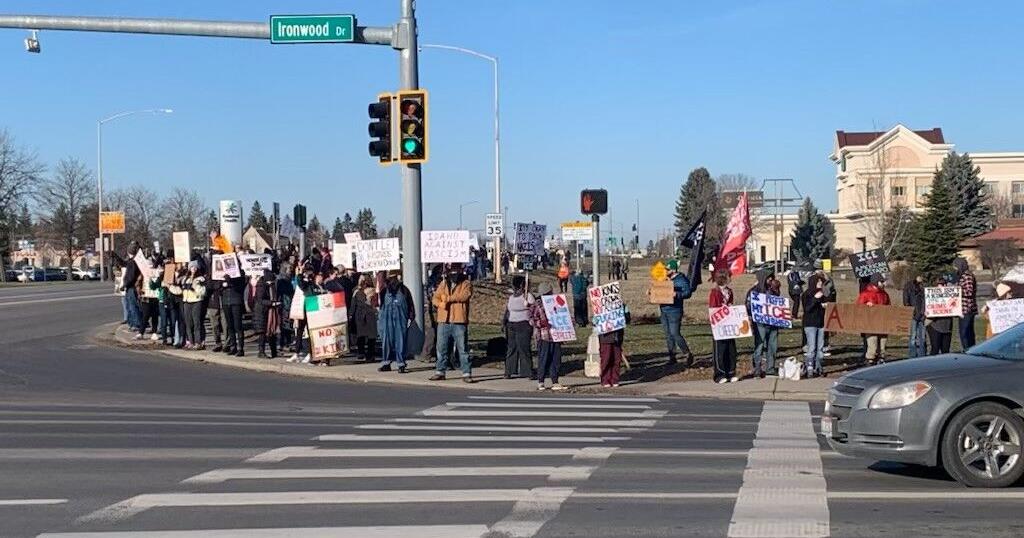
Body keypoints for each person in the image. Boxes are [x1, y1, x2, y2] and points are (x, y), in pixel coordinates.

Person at [430, 264, 474, 383]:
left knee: (462, 348)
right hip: (444, 320)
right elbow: (435, 298)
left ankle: (466, 373)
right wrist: (439, 304)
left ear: (460, 271)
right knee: (441, 348)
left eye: (456, 270)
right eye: (451, 270)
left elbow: (465, 296)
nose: (453, 273)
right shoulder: (444, 283)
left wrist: (448, 299)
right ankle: (440, 371)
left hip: (459, 321)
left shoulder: (465, 283)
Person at [531, 282, 566, 391]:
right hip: (544, 336)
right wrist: (542, 324)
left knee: (555, 359)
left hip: (556, 335)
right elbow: (532, 320)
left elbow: (563, 315)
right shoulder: (538, 304)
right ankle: (540, 381)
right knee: (544, 359)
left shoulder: (556, 302)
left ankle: (555, 381)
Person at [745, 268, 778, 378]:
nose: (770, 280)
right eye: (768, 278)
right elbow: (748, 305)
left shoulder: (773, 290)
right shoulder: (754, 291)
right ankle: (757, 368)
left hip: (773, 322)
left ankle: (770, 368)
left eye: (771, 278)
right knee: (759, 345)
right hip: (760, 323)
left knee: (772, 345)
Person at [660, 260, 694, 367]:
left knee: (675, 333)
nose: (666, 271)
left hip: (675, 310)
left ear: (673, 270)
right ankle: (672, 357)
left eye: (668, 269)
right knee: (668, 334)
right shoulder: (664, 279)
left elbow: (688, 293)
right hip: (664, 309)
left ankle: (687, 353)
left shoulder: (681, 280)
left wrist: (677, 294)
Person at [378, 272, 411, 373]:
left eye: (394, 278)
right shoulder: (383, 291)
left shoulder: (404, 290)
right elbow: (379, 306)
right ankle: (386, 363)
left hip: (400, 319)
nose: (393, 281)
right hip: (387, 319)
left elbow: (410, 304)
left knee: (400, 341)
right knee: (386, 341)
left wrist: (410, 317)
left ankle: (401, 364)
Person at [503, 275, 535, 379]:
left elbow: (534, 308)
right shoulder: (518, 297)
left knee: (518, 348)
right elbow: (508, 311)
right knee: (517, 348)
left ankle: (518, 371)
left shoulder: (520, 296)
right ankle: (518, 371)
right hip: (517, 325)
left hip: (517, 324)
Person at [709, 271, 737, 383]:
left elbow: (731, 303)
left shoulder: (729, 291)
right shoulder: (715, 292)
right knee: (720, 349)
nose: (731, 279)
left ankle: (731, 372)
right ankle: (719, 374)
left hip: (729, 323)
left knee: (730, 348)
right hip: (719, 324)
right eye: (729, 277)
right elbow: (713, 308)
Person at [856, 274, 890, 365]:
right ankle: (870, 361)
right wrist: (866, 306)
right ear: (876, 282)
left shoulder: (885, 294)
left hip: (882, 323)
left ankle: (881, 359)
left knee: (882, 344)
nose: (883, 283)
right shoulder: (865, 294)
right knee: (872, 344)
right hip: (870, 323)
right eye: (881, 282)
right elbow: (858, 308)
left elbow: (889, 307)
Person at [247, 269, 279, 359]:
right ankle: (261, 352)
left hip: (266, 311)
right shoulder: (261, 286)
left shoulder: (268, 285)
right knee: (262, 333)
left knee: (270, 332)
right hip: (261, 312)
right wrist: (272, 303)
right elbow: (260, 300)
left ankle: (274, 352)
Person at [599, 303, 631, 388]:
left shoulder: (622, 305)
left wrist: (624, 315)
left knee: (617, 359)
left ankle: (615, 379)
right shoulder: (600, 304)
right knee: (606, 358)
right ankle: (605, 379)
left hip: (617, 336)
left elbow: (628, 319)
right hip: (605, 336)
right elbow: (596, 321)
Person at [802, 273, 828, 378]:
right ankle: (810, 368)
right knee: (812, 347)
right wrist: (815, 299)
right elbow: (807, 309)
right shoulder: (807, 294)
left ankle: (819, 367)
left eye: (821, 281)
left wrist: (824, 305)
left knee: (820, 348)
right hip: (810, 323)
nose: (820, 283)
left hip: (821, 323)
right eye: (818, 281)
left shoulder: (823, 294)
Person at [220, 264, 247, 357]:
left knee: (238, 326)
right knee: (230, 326)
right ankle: (233, 346)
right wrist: (222, 284)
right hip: (226, 302)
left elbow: (240, 287)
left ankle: (240, 348)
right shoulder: (223, 275)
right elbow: (218, 288)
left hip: (236, 301)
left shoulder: (240, 274)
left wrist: (230, 281)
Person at [351, 274, 379, 363]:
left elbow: (353, 305)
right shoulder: (373, 291)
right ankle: (369, 354)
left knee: (362, 335)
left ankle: (362, 352)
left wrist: (351, 314)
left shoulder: (357, 292)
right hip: (368, 315)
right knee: (370, 335)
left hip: (362, 315)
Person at [927, 274, 956, 355]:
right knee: (935, 349)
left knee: (946, 350)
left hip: (947, 326)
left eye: (944, 284)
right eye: (940, 284)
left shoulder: (950, 295)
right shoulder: (930, 295)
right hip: (935, 326)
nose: (942, 286)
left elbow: (955, 308)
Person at [181, 261, 207, 349]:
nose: (194, 269)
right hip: (187, 301)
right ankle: (190, 341)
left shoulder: (201, 278)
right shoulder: (185, 278)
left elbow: (203, 292)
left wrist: (195, 286)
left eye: (195, 267)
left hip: (196, 301)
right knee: (188, 323)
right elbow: (182, 290)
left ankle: (198, 342)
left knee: (197, 322)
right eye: (192, 267)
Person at [953, 257, 978, 350]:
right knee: (967, 333)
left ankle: (968, 351)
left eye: (956, 266)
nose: (955, 269)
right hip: (962, 309)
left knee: (965, 333)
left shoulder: (967, 276)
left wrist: (956, 291)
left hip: (967, 308)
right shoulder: (962, 276)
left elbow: (969, 292)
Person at [903, 273, 928, 358]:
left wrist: (924, 312)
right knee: (913, 336)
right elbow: (906, 300)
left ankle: (922, 354)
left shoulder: (924, 287)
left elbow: (925, 300)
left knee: (922, 336)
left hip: (922, 314)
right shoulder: (908, 286)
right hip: (913, 314)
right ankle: (912, 355)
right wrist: (911, 312)